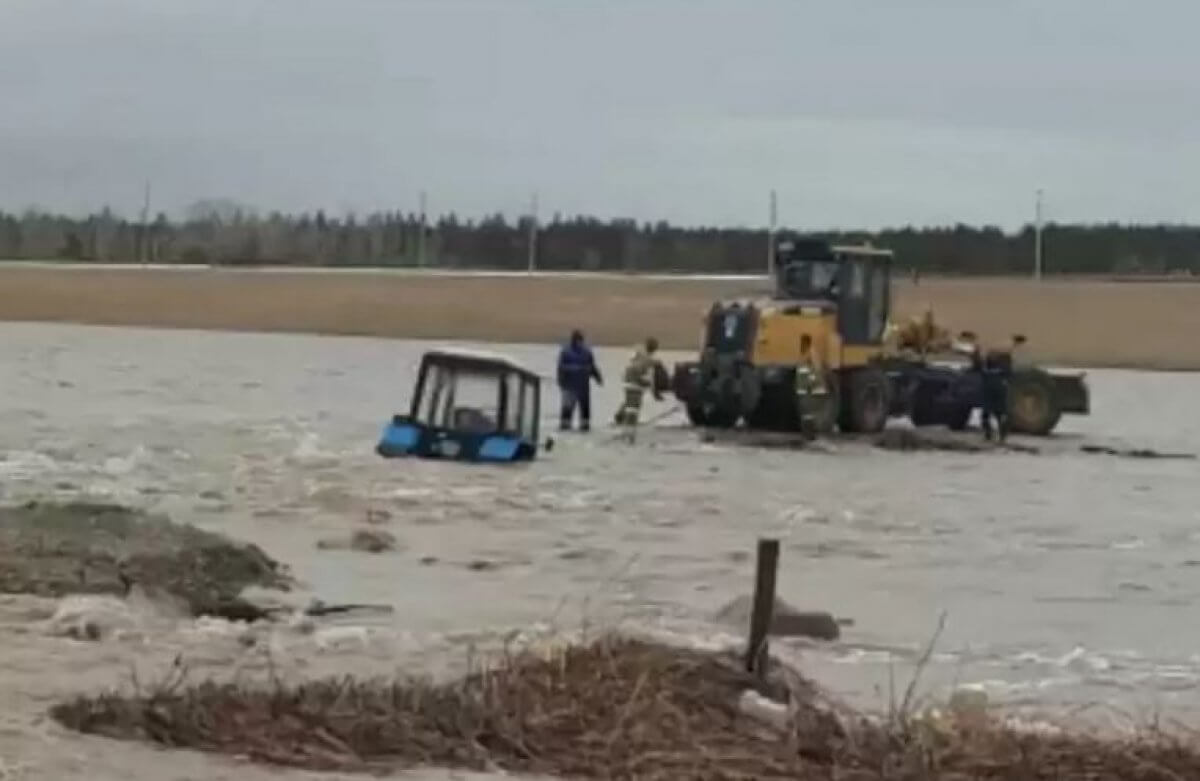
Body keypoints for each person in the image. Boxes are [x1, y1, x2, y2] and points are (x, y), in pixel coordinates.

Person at [557, 329, 602, 431]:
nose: (580, 344)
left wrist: (598, 377)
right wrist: (561, 381)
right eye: (578, 341)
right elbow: (561, 367)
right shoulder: (565, 351)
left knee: (585, 408)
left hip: (583, 386)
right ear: (573, 341)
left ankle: (585, 426)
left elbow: (592, 366)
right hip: (569, 386)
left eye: (581, 341)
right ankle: (565, 426)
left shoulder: (587, 352)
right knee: (567, 408)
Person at [614, 337, 664, 427]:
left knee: (629, 399)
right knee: (635, 401)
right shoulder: (647, 359)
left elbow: (635, 360)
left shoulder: (639, 351)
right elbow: (640, 367)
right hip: (634, 378)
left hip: (628, 376)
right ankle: (627, 421)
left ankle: (620, 416)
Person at [980, 348, 1012, 443]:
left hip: (996, 393)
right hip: (992, 393)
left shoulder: (998, 368)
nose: (992, 358)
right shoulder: (986, 368)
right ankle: (990, 435)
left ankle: (999, 435)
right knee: (989, 416)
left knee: (998, 415)